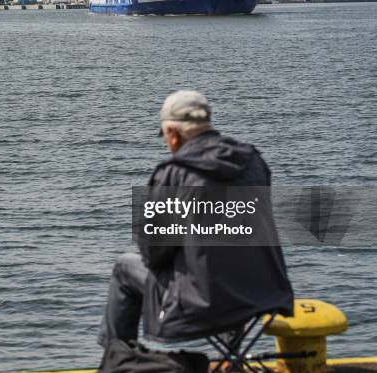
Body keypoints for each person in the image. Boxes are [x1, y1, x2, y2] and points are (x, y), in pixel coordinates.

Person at [98, 90, 293, 348]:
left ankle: (117, 363)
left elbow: (153, 255)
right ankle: (232, 360)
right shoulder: (254, 162)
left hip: (203, 302)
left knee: (124, 267)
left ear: (173, 135)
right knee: (227, 256)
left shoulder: (173, 174)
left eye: (165, 138)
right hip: (265, 293)